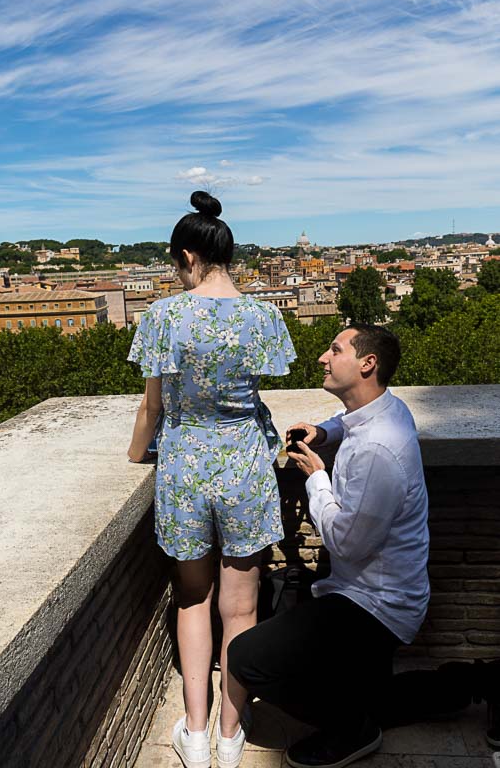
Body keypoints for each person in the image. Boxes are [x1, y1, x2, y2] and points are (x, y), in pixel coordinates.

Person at [127, 191, 296, 768]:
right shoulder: (263, 314)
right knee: (241, 609)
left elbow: (152, 409)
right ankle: (231, 734)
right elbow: (258, 391)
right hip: (246, 465)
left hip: (184, 468)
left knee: (193, 597)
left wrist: (133, 455)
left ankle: (194, 734)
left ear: (187, 257)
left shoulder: (164, 316)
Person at [228, 323, 430, 768]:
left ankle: (349, 730)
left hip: (375, 605)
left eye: (335, 350)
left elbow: (346, 542)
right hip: (380, 590)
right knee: (382, 699)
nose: (323, 356)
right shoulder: (387, 410)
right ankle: (482, 684)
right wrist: (323, 432)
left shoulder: (379, 448)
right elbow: (349, 422)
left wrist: (316, 476)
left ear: (366, 364)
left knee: (246, 658)